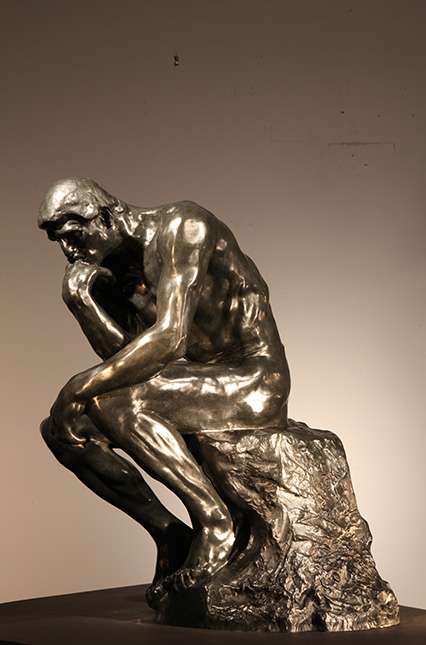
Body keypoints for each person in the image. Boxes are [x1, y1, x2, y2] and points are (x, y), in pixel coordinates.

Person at [38, 177, 291, 602]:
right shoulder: (113, 270)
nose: (68, 251)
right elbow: (129, 359)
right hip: (191, 380)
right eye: (59, 242)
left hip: (253, 378)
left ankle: (215, 522)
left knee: (106, 401)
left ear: (106, 217)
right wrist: (82, 304)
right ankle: (169, 532)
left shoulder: (184, 228)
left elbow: (170, 338)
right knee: (62, 430)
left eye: (74, 236)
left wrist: (78, 386)